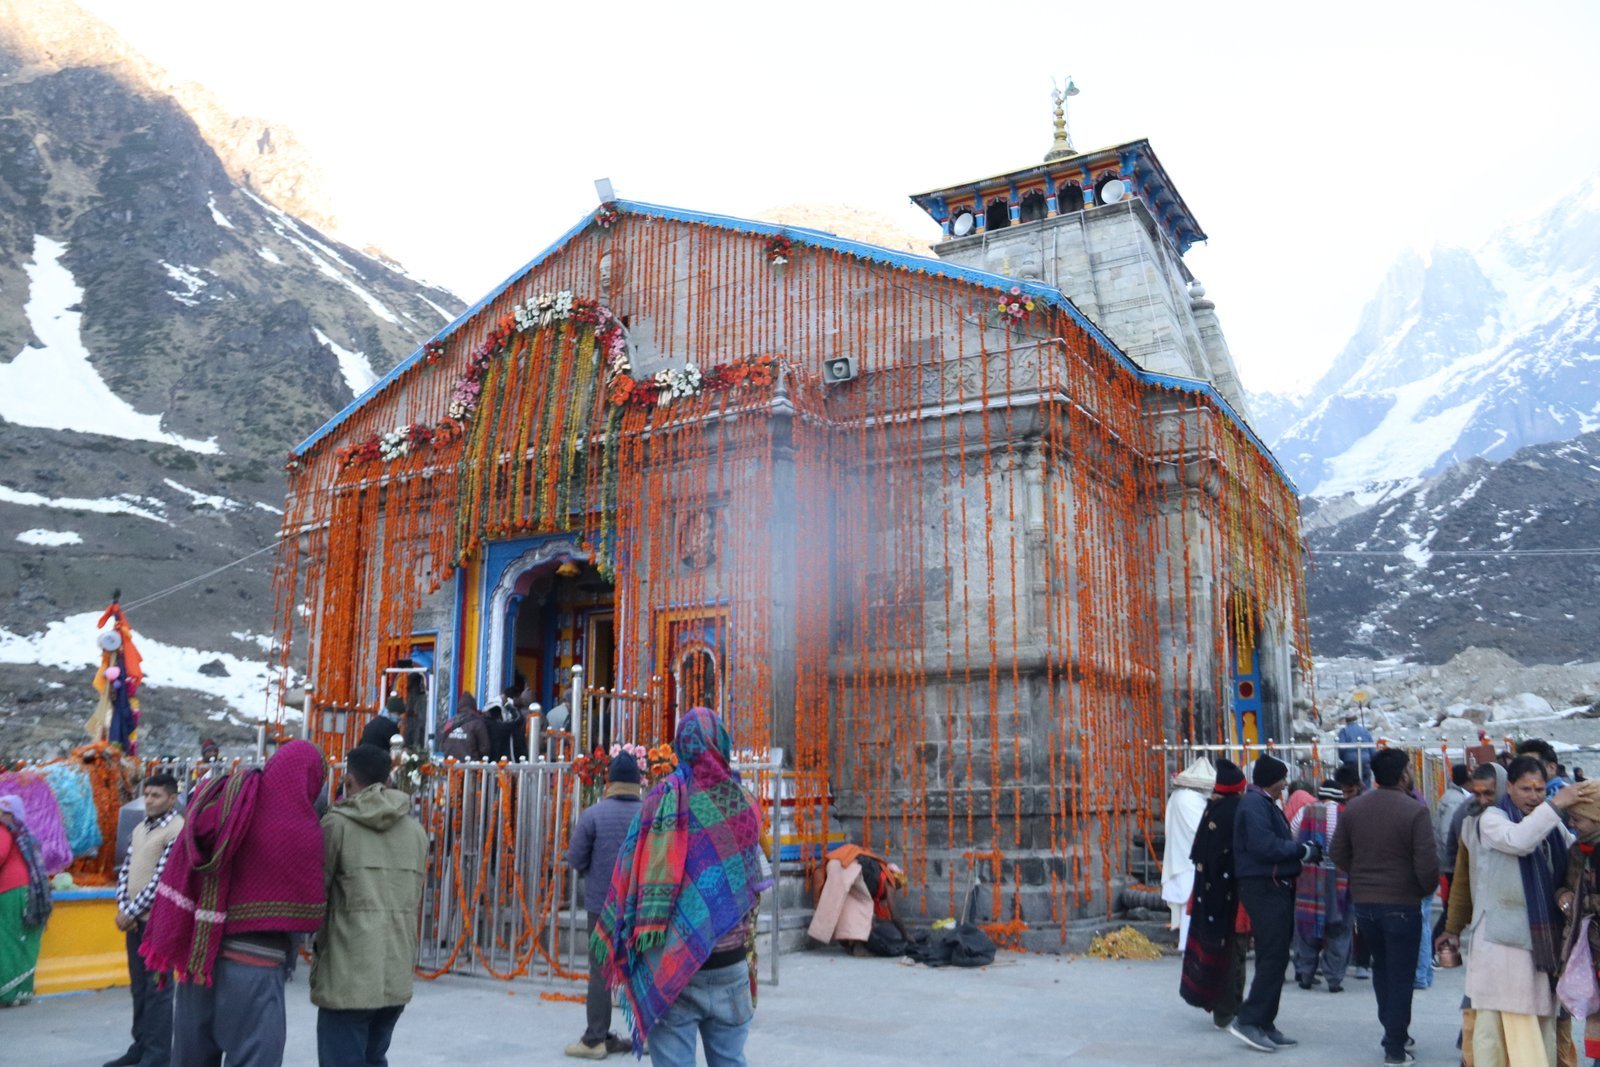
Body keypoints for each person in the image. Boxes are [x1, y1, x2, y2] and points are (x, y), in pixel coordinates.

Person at [595, 707, 772, 1067]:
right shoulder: (744, 804)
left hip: (671, 963)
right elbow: (754, 880)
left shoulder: (659, 801)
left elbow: (629, 869)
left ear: (680, 746)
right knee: (731, 1060)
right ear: (721, 743)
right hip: (731, 963)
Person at [142, 739, 328, 1067]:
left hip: (199, 959)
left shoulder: (227, 802)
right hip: (256, 966)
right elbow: (311, 911)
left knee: (190, 1058)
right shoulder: (301, 830)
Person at [1441, 755, 1578, 1067]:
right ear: (1511, 788)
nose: (1534, 796)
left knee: (1537, 1025)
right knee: (1495, 1029)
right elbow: (1519, 841)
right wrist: (1452, 927)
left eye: (1539, 789)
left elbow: (1572, 852)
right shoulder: (1490, 819)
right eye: (1526, 789)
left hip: (1539, 943)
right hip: (1499, 943)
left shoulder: (1549, 824)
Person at [311, 745, 429, 1067]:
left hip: (347, 977)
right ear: (388, 781)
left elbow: (315, 895)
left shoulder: (336, 826)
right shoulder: (415, 832)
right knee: (374, 1058)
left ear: (348, 781)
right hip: (395, 973)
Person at [1330, 748, 1438, 1066]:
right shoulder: (1415, 811)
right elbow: (1428, 866)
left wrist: (1361, 876)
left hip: (1366, 905)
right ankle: (1395, 1046)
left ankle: (1392, 1030)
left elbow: (1337, 852)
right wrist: (1420, 890)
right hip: (1402, 904)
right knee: (1401, 974)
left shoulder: (1354, 808)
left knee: (1382, 968)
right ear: (1404, 774)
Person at [1228, 754, 1319, 1053]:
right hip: (1263, 886)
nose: (1285, 784)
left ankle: (1265, 1021)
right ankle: (1249, 1020)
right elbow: (1264, 845)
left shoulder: (1265, 803)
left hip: (1274, 885)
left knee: (1278, 957)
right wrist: (1301, 851)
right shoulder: (1254, 805)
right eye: (1282, 778)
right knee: (1271, 956)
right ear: (1271, 780)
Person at [564, 750, 645, 1059]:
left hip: (602, 906)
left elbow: (575, 859)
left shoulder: (593, 815)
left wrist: (595, 870)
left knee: (600, 972)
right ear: (637, 782)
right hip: (641, 908)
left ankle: (595, 1039)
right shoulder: (650, 814)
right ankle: (647, 1036)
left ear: (609, 781)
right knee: (642, 969)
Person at [104, 772, 185, 1067]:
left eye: (156, 796)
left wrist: (131, 911)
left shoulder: (176, 830)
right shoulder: (140, 828)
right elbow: (126, 869)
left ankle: (157, 1054)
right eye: (147, 794)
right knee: (139, 988)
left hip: (158, 924)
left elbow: (162, 880)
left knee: (158, 990)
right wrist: (123, 906)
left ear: (171, 799)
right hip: (136, 922)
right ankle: (140, 1045)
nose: (149, 800)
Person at [1439, 761, 1508, 1067]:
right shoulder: (1468, 821)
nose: (1482, 800)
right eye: (1477, 793)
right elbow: (1462, 879)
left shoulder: (1519, 825)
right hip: (1482, 925)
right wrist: (1452, 927)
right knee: (1478, 997)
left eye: (1489, 794)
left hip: (1516, 929)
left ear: (1503, 789)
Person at [1179, 759, 1250, 1030]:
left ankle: (1226, 1006)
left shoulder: (1212, 809)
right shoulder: (1235, 811)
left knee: (1221, 950)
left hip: (1208, 893)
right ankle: (1228, 1009)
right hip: (1229, 897)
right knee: (1232, 954)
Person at [1290, 780, 1352, 993]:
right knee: (1339, 928)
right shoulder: (1347, 814)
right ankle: (1334, 979)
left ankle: (1306, 974)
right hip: (1340, 878)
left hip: (1310, 877)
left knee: (1306, 927)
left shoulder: (1305, 811)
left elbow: (1293, 836)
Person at [1555, 781, 1600, 1065]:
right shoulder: (1577, 850)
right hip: (1589, 951)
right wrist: (1563, 895)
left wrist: (1582, 901)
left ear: (1595, 817)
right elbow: (1562, 884)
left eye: (1578, 819)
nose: (1572, 824)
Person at [0, 794, 51, 1007]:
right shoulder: (23, 834)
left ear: (10, 815)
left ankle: (7, 995)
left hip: (10, 892)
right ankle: (22, 992)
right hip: (27, 892)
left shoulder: (4, 831)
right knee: (23, 941)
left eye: (3, 812)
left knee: (7, 941)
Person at [1163, 758, 1215, 952]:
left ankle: (1188, 945)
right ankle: (1189, 946)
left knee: (1190, 908)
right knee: (1191, 908)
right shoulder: (1190, 801)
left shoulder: (1178, 797)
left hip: (1181, 858)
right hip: (1189, 861)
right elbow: (1201, 831)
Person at [439, 692, 490, 761]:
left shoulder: (450, 723)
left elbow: (442, 744)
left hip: (449, 765)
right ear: (473, 707)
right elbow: (485, 749)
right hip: (469, 766)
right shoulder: (477, 723)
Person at [1337, 711, 1374, 785]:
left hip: (1350, 761)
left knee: (1351, 782)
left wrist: (1343, 758)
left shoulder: (1344, 731)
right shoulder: (1364, 730)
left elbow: (1341, 748)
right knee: (1366, 780)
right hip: (1365, 760)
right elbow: (1372, 748)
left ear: (1346, 721)